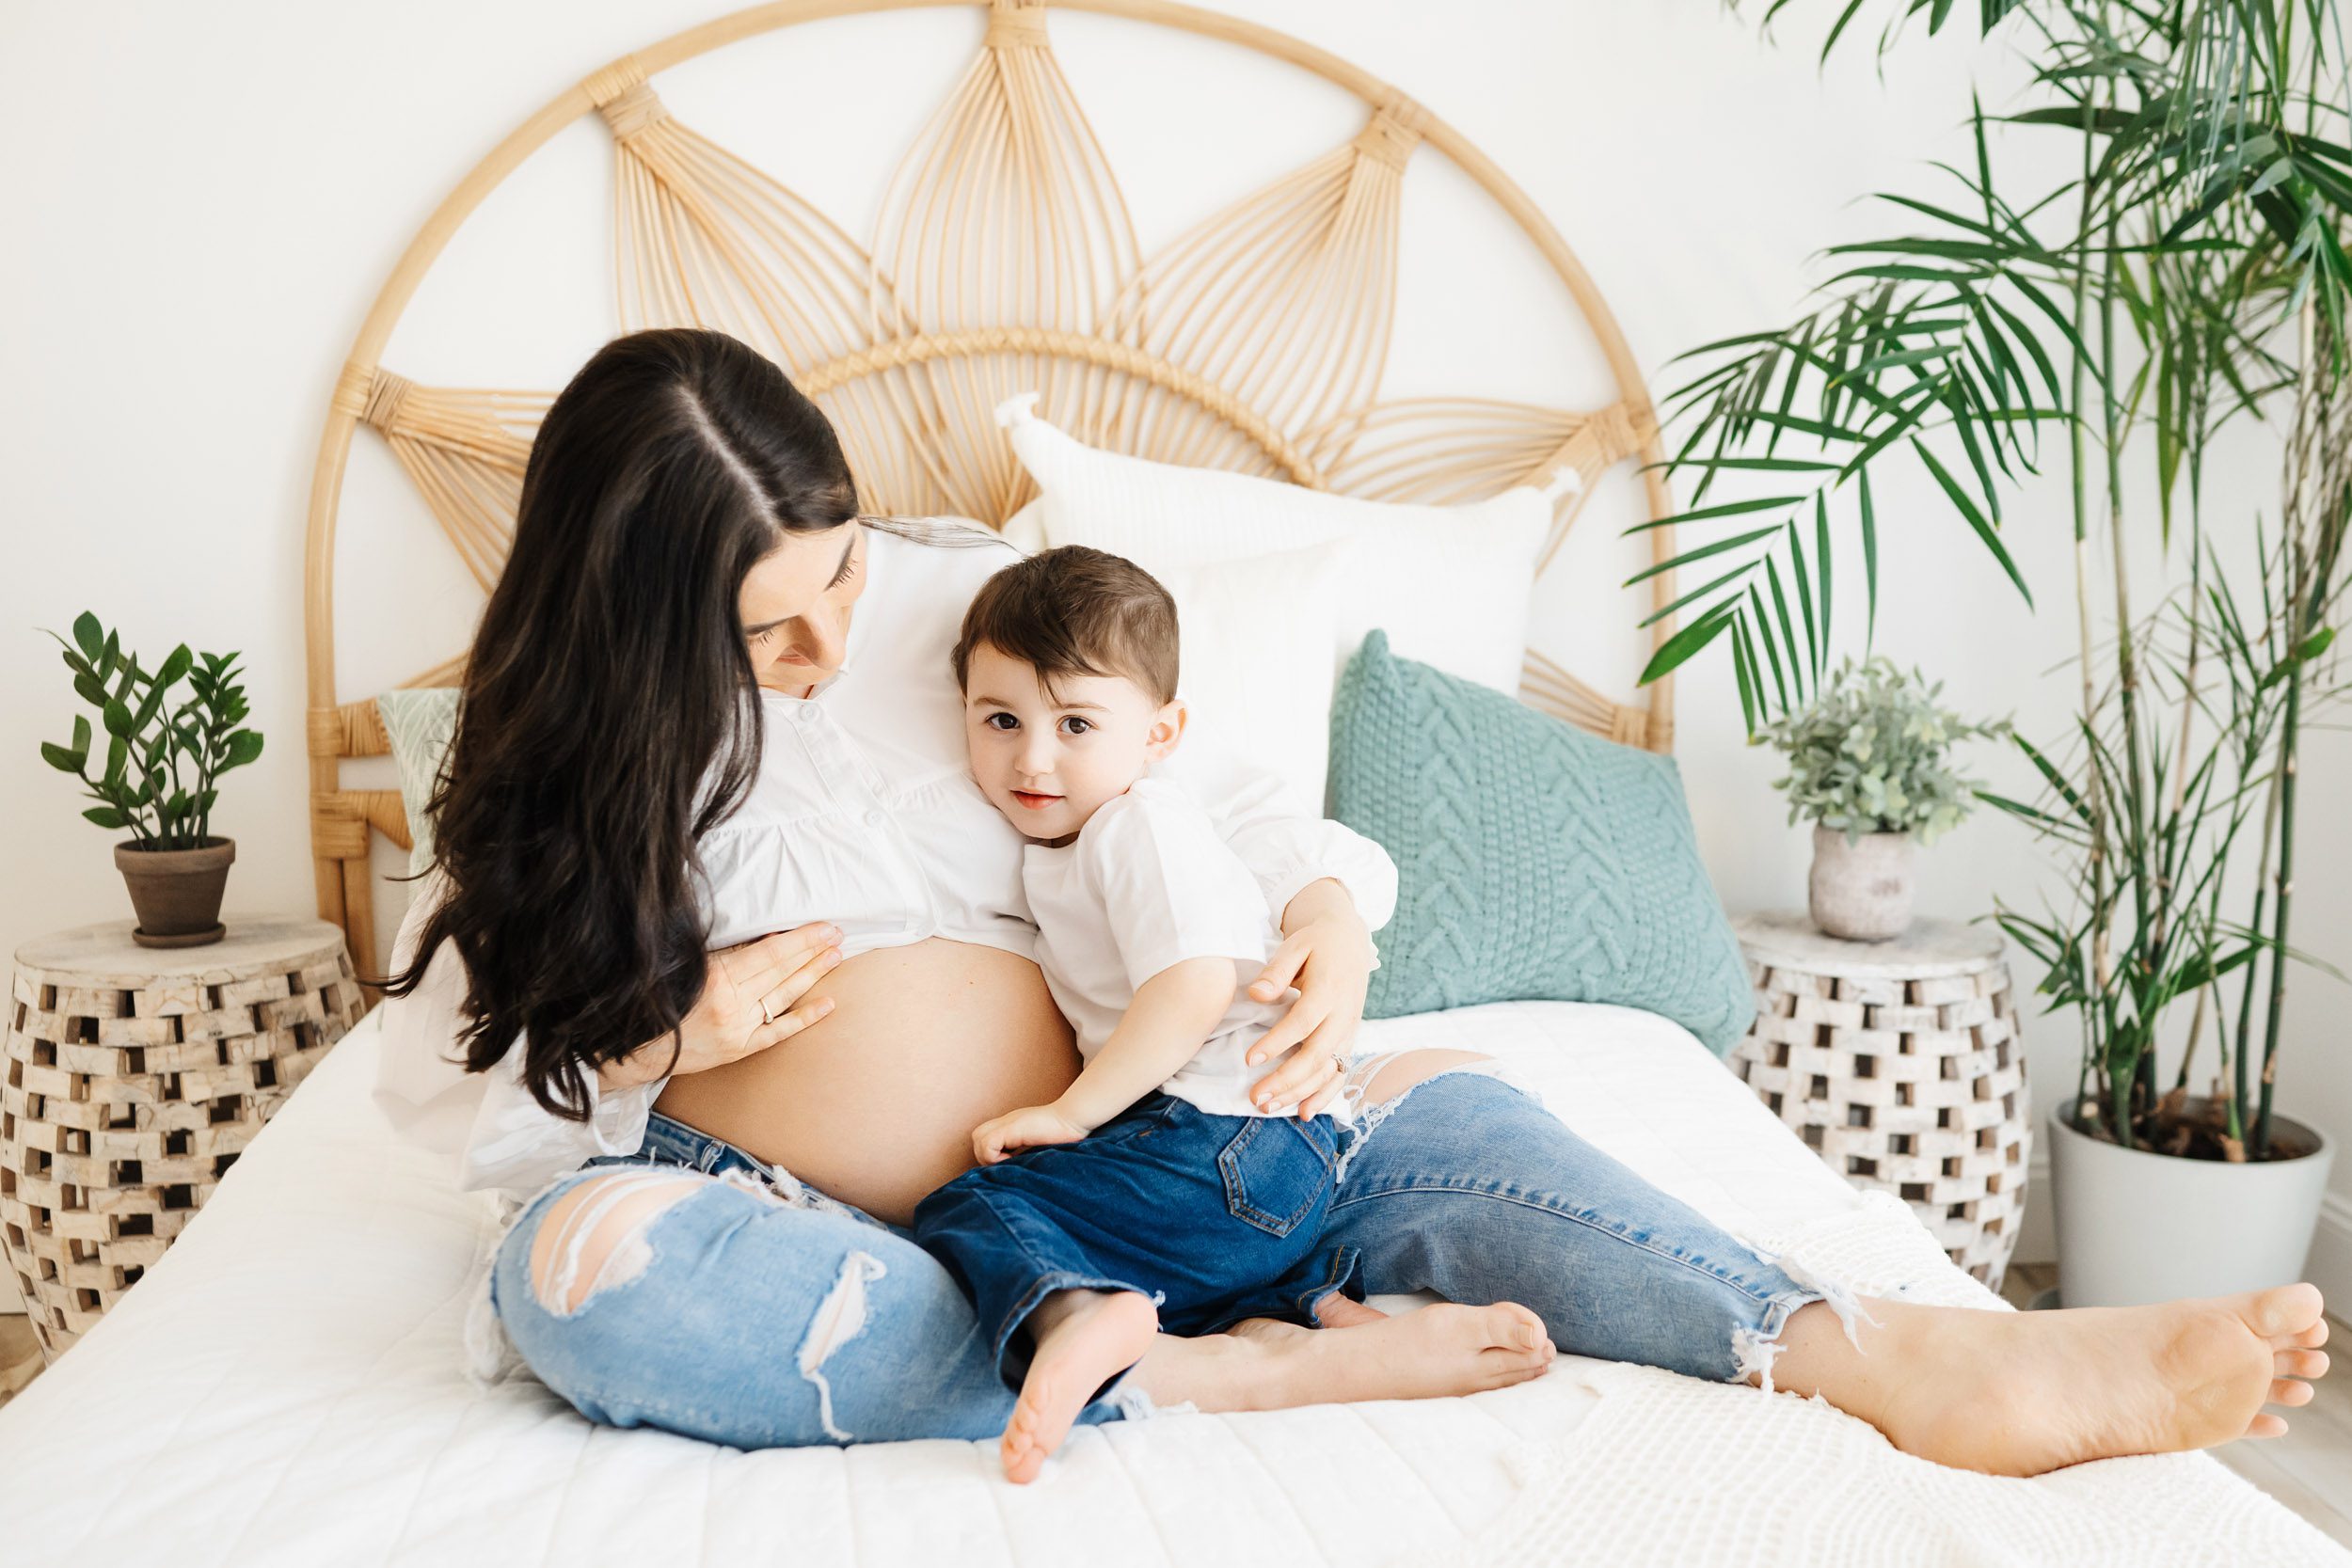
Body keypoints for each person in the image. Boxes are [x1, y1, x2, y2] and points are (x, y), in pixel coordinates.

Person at [375, 326, 2328, 1481]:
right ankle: (1211, 1356)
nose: (829, 633)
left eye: (839, 578)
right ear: (638, 620)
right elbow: (447, 1112)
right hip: (837, 1221)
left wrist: (1325, 900)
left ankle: (1886, 1348)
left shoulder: (942, 616)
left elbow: (1191, 769)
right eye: (769, 625)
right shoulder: (541, 795)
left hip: (1164, 1130)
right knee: (577, 1286)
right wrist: (665, 1033)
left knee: (1428, 1109)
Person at [914, 546, 1429, 1482]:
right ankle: (1315, 1309)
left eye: (1075, 721)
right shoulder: (1075, 833)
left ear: (1159, 733)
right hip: (1266, 1159)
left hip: (1226, 1137)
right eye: (1000, 718)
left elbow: (1192, 984)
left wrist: (1071, 1111)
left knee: (974, 1203)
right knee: (1150, 1226)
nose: (1032, 756)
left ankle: (1079, 1314)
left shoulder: (1134, 823)